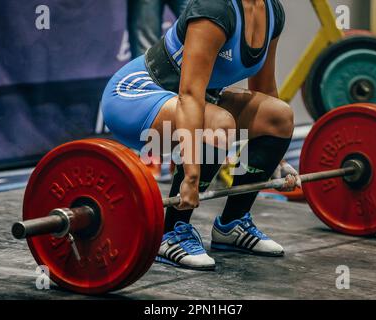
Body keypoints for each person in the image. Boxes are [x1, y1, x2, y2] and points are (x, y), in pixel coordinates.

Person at [102, 0, 299, 271]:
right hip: (134, 97)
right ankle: (172, 231)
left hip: (192, 101)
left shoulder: (273, 11)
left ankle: (232, 225)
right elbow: (190, 96)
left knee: (279, 116)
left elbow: (264, 88)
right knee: (220, 123)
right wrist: (191, 176)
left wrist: (275, 161)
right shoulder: (214, 9)